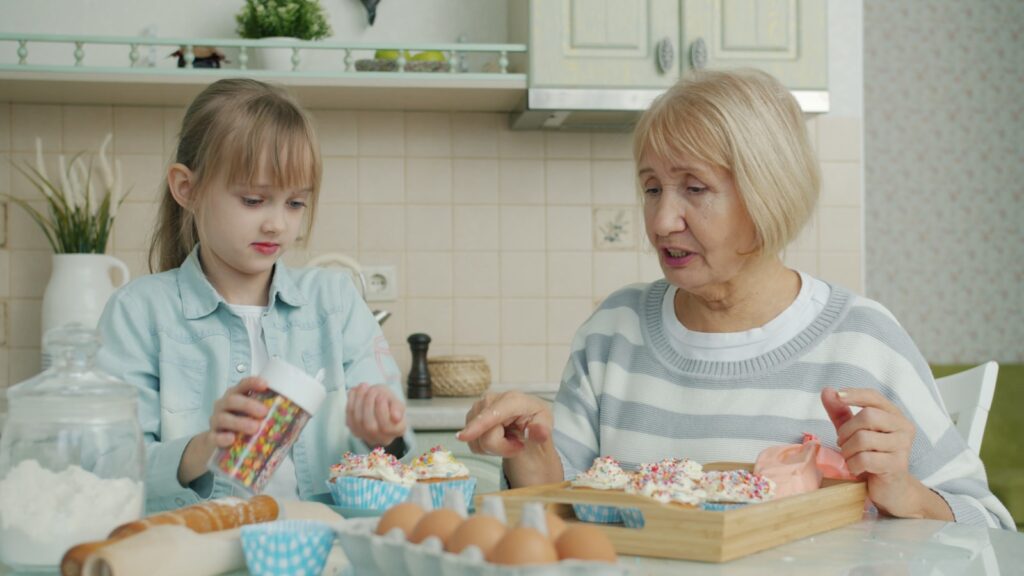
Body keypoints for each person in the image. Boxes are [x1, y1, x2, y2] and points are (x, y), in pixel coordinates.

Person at [457, 69, 1014, 530]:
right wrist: (529, 453)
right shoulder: (614, 329)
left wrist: (905, 492)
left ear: (767, 195)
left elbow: (989, 525)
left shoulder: (862, 339)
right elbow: (563, 514)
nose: (661, 220)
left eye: (694, 189)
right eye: (652, 187)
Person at [97, 78, 414, 512]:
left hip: (326, 545)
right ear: (185, 188)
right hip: (195, 549)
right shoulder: (138, 314)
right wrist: (204, 448)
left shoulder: (334, 303)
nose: (277, 225)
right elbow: (108, 469)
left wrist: (383, 434)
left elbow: (395, 448)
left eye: (295, 204)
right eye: (253, 200)